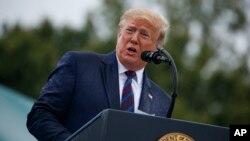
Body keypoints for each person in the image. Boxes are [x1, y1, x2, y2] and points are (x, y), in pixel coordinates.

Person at [27, 8, 171, 141]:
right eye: (130, 30)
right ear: (119, 34)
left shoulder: (162, 101)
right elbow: (39, 115)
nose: (134, 39)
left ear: (157, 49)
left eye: (144, 34)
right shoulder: (79, 65)